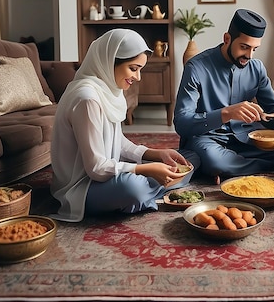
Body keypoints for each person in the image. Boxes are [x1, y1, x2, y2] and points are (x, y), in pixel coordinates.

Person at [50, 29, 200, 222]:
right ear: (110, 61)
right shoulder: (87, 99)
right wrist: (146, 169)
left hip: (109, 175)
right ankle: (149, 191)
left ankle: (150, 189)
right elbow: (96, 168)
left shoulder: (108, 88)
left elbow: (117, 142)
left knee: (191, 158)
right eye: (133, 68)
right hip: (83, 188)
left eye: (140, 69)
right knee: (133, 188)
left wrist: (155, 154)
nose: (138, 77)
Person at [174, 9, 274, 181]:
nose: (249, 55)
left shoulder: (257, 68)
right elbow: (182, 123)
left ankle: (231, 167)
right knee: (214, 160)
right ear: (227, 39)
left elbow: (271, 110)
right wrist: (226, 113)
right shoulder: (196, 68)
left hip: (248, 139)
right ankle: (273, 165)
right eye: (244, 47)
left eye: (255, 49)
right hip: (208, 139)